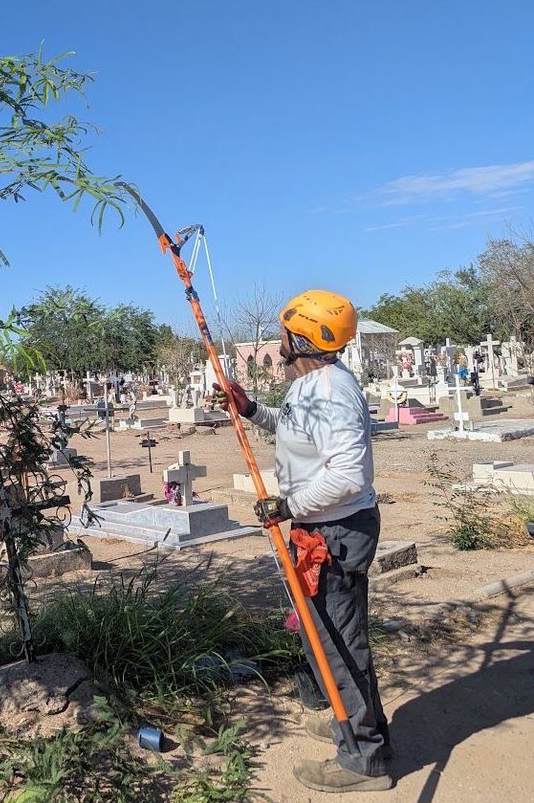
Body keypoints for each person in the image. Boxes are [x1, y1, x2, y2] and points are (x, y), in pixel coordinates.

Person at [214, 289, 392, 793]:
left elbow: (348, 475)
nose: (280, 342)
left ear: (300, 337)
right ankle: (346, 721)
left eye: (285, 334)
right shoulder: (310, 385)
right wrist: (251, 410)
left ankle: (364, 755)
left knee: (338, 642)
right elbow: (295, 429)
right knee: (323, 633)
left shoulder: (332, 390)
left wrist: (289, 506)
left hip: (334, 532)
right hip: (320, 527)